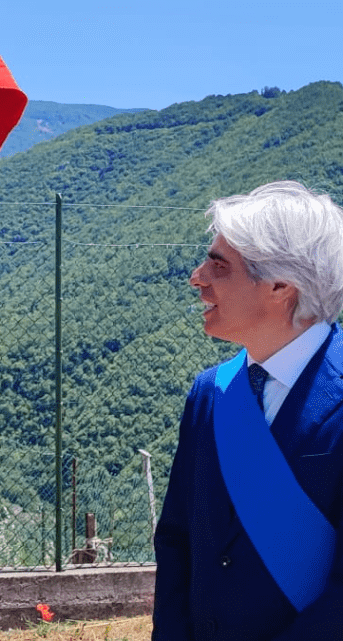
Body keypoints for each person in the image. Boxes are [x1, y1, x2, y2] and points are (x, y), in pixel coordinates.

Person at [153, 181, 343, 640]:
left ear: (281, 285)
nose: (197, 277)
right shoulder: (210, 393)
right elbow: (178, 542)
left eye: (219, 265)